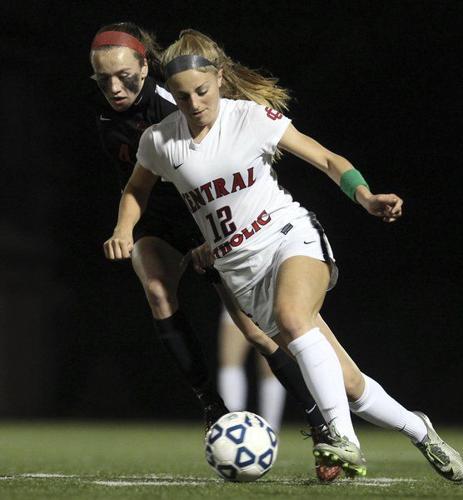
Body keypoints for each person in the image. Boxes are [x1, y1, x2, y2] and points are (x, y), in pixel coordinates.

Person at [104, 29, 463, 482]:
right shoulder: (160, 140)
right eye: (181, 96)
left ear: (219, 78)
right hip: (242, 272)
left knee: (294, 318)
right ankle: (420, 429)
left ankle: (342, 439)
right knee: (350, 384)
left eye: (202, 91)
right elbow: (136, 189)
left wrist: (366, 197)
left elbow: (327, 159)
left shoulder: (250, 117)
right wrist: (124, 227)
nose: (194, 103)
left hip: (288, 237)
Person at [90, 22, 347, 482]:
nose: (114, 87)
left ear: (146, 67)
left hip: (216, 231)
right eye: (102, 78)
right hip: (164, 226)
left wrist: (215, 236)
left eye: (124, 76)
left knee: (258, 336)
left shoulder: (178, 100)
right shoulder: (110, 118)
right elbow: (136, 188)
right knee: (155, 287)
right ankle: (212, 405)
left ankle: (323, 426)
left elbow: (227, 172)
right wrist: (124, 228)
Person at [217, 305, 286, 432]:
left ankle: (271, 430)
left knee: (272, 367)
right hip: (238, 295)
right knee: (230, 360)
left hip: (271, 301)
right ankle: (233, 425)